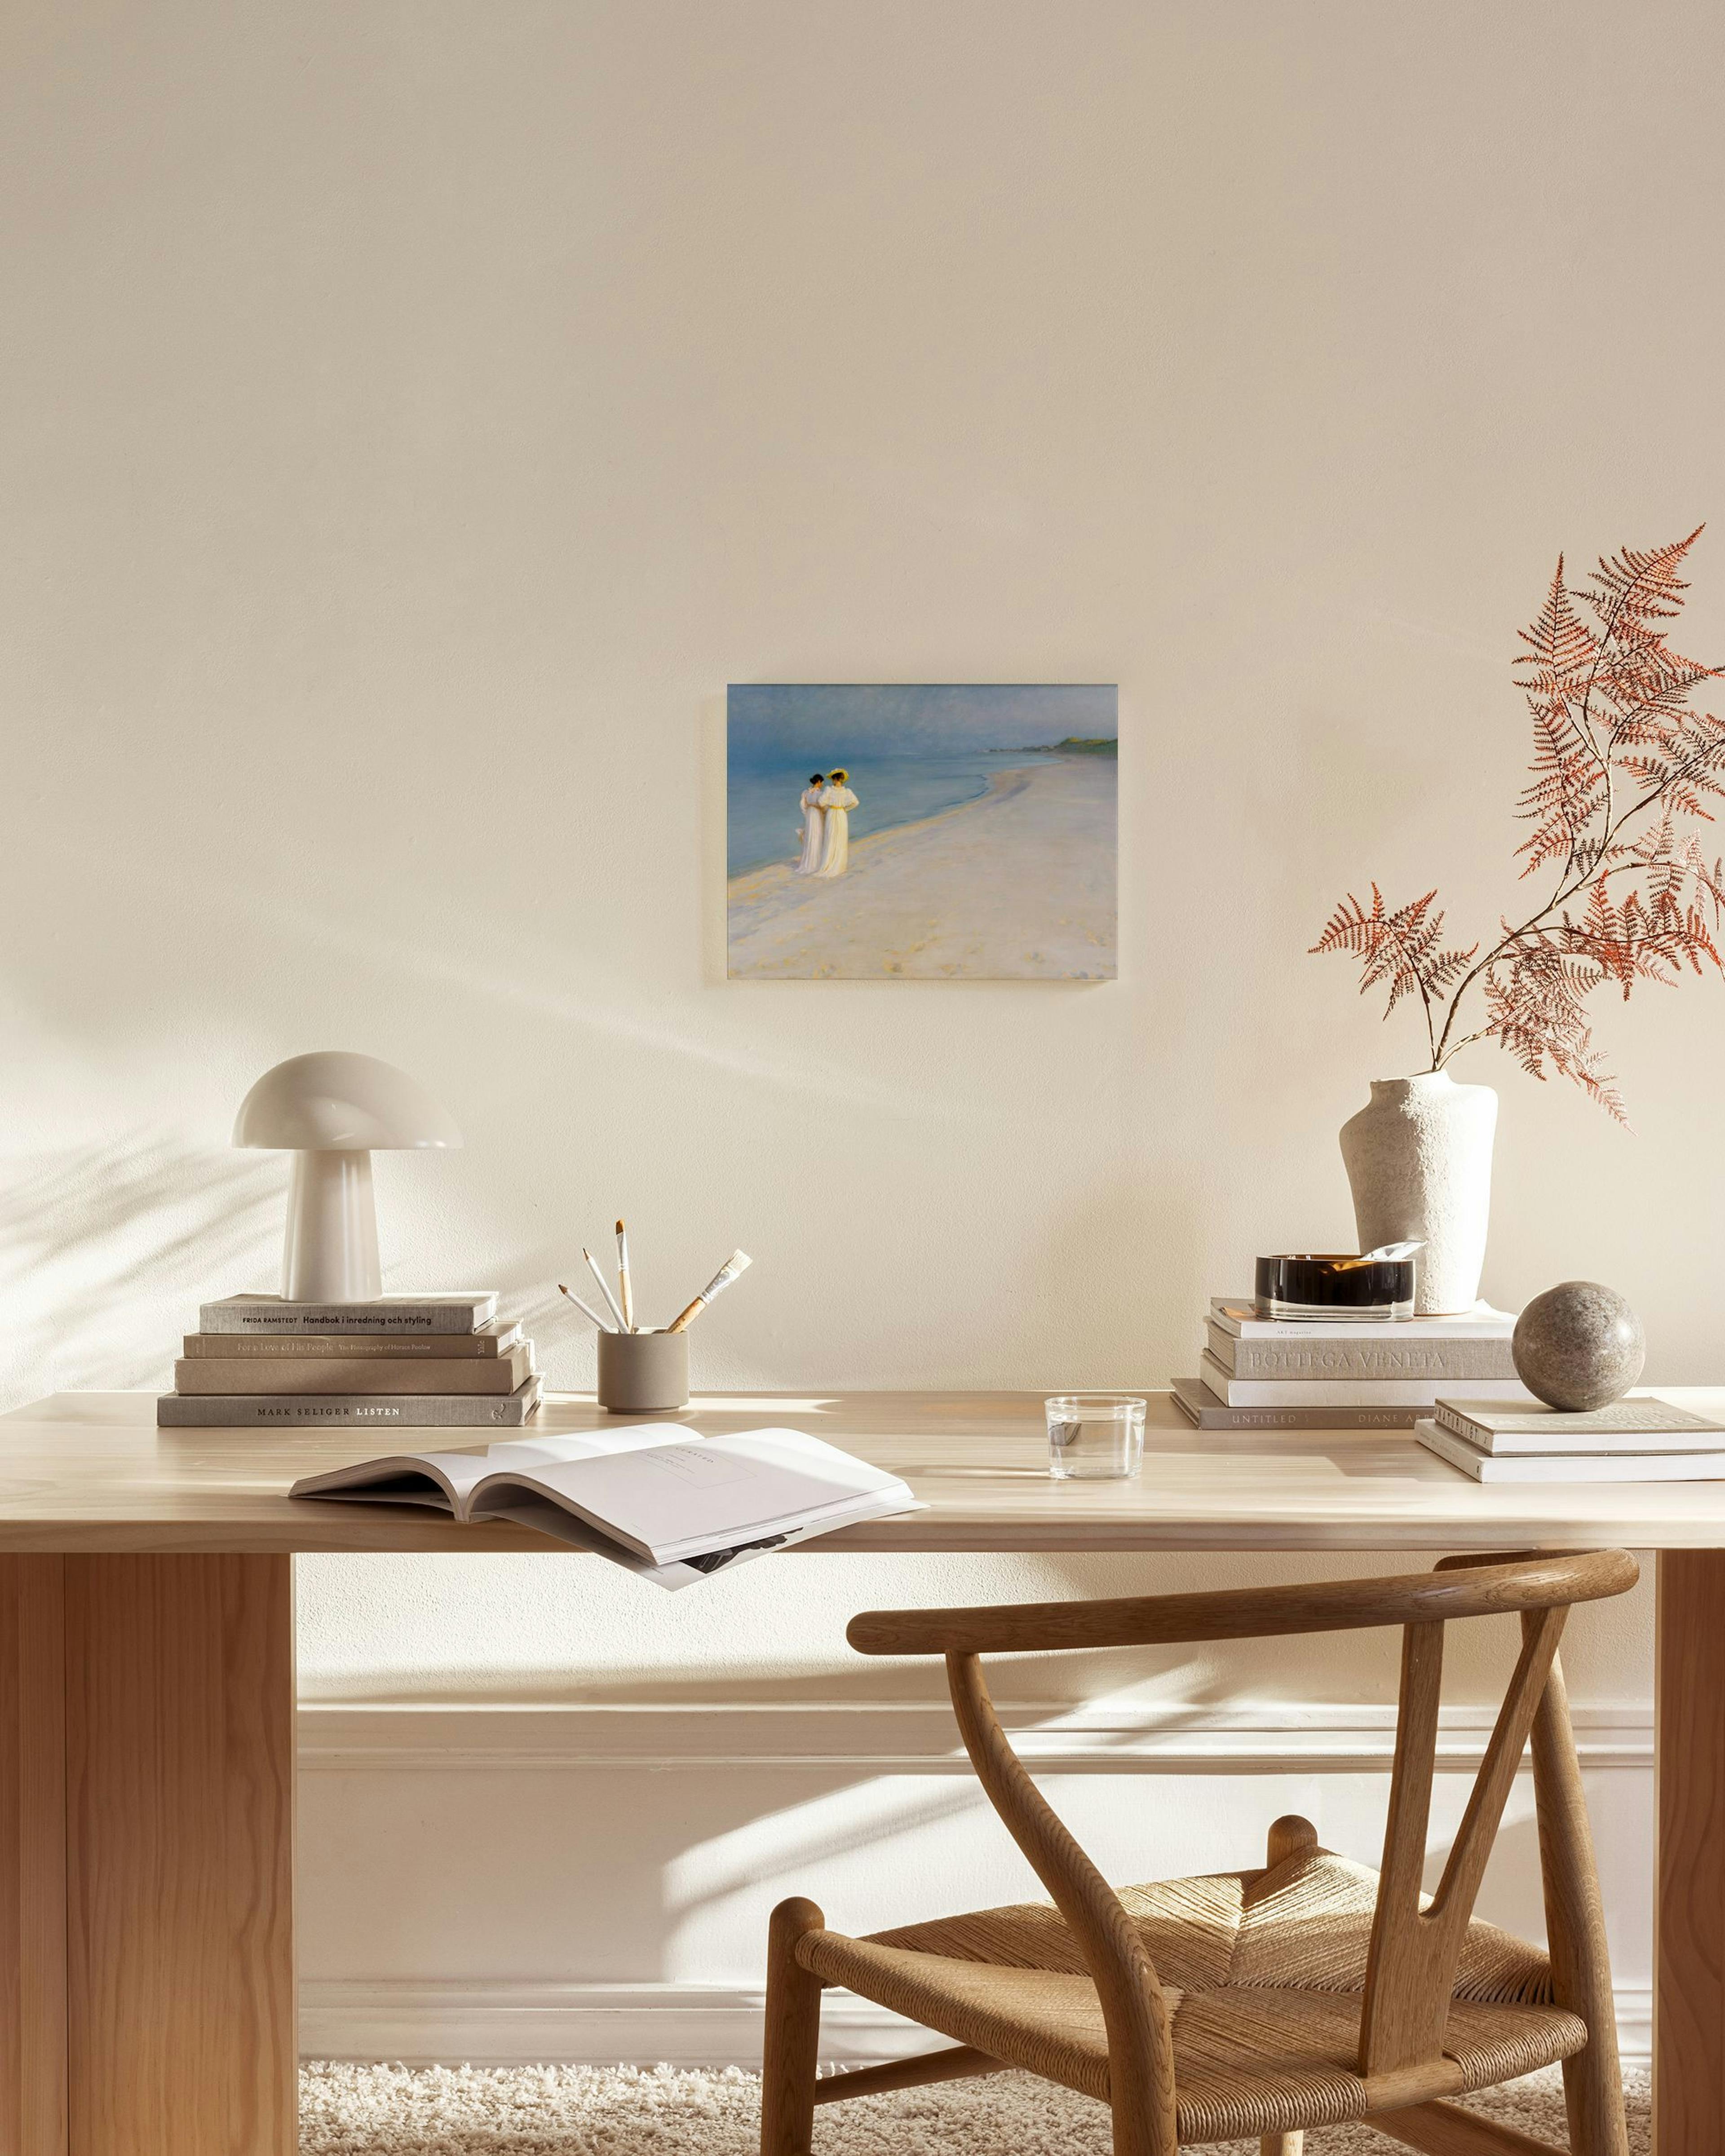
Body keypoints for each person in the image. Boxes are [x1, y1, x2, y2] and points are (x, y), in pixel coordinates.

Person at [813, 769, 858, 878]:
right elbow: (856, 803)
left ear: (834, 779)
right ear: (842, 779)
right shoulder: (847, 791)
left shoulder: (829, 790)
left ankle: (829, 864)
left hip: (832, 813)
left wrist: (829, 806)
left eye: (833, 779)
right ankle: (840, 866)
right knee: (840, 838)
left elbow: (821, 802)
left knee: (831, 838)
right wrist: (845, 809)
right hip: (842, 815)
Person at [794, 775, 826, 875]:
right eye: (822, 782)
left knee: (811, 836)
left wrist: (807, 815)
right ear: (819, 782)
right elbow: (823, 807)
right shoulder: (820, 794)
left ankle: (809, 862)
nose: (822, 785)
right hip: (817, 815)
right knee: (818, 835)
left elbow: (803, 807)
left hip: (810, 816)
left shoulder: (806, 793)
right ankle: (817, 862)